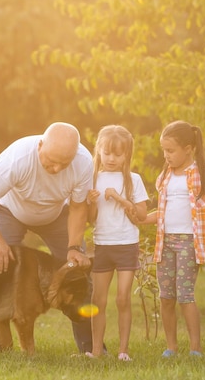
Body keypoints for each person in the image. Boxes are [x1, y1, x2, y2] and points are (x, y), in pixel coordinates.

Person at [0, 122, 94, 353]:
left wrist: (74, 246)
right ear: (40, 145)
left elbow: (77, 207)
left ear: (74, 156)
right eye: (51, 161)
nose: (56, 169)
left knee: (79, 268)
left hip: (55, 215)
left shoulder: (83, 162)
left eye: (63, 164)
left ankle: (90, 348)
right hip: (10, 211)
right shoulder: (18, 158)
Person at [140, 120, 205, 358]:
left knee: (185, 295)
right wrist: (141, 217)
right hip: (165, 242)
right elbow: (162, 213)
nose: (166, 155)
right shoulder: (165, 176)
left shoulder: (204, 175)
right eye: (164, 150)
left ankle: (195, 349)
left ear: (188, 148)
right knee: (166, 297)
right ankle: (171, 347)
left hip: (189, 242)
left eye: (171, 150)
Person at [85, 125, 148, 361]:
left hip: (126, 244)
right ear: (99, 151)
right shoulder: (92, 179)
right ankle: (96, 350)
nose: (111, 159)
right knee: (97, 299)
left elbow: (141, 215)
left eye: (118, 154)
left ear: (126, 155)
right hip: (102, 245)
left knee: (123, 298)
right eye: (107, 153)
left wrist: (119, 197)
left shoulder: (133, 180)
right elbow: (91, 220)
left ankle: (123, 351)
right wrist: (92, 203)